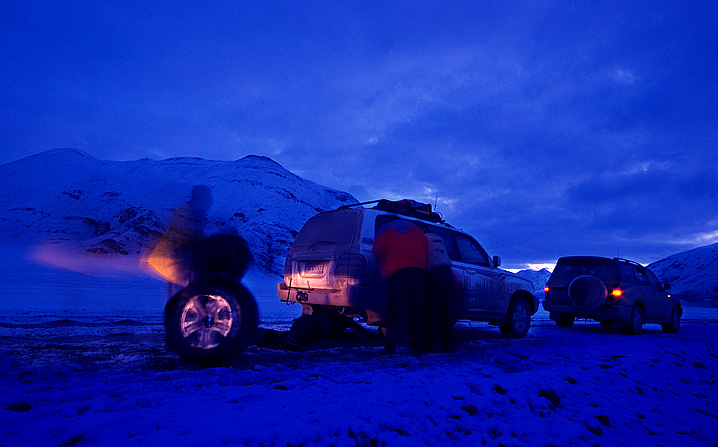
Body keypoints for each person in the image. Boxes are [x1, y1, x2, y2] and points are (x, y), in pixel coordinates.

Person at [144, 185, 213, 299]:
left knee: (181, 301)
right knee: (182, 302)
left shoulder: (191, 212)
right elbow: (190, 238)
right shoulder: (191, 214)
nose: (211, 201)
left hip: (175, 264)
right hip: (177, 264)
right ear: (201, 198)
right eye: (209, 197)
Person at [372, 220, 428, 354]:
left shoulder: (388, 230)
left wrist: (386, 261)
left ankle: (390, 347)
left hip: (397, 272)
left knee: (395, 309)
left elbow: (377, 250)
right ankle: (417, 347)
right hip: (417, 272)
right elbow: (425, 247)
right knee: (415, 310)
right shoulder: (415, 230)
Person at [423, 232, 455, 352]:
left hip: (434, 274)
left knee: (432, 310)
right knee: (445, 310)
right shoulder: (439, 237)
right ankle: (447, 341)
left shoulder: (424, 239)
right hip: (447, 273)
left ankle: (432, 343)